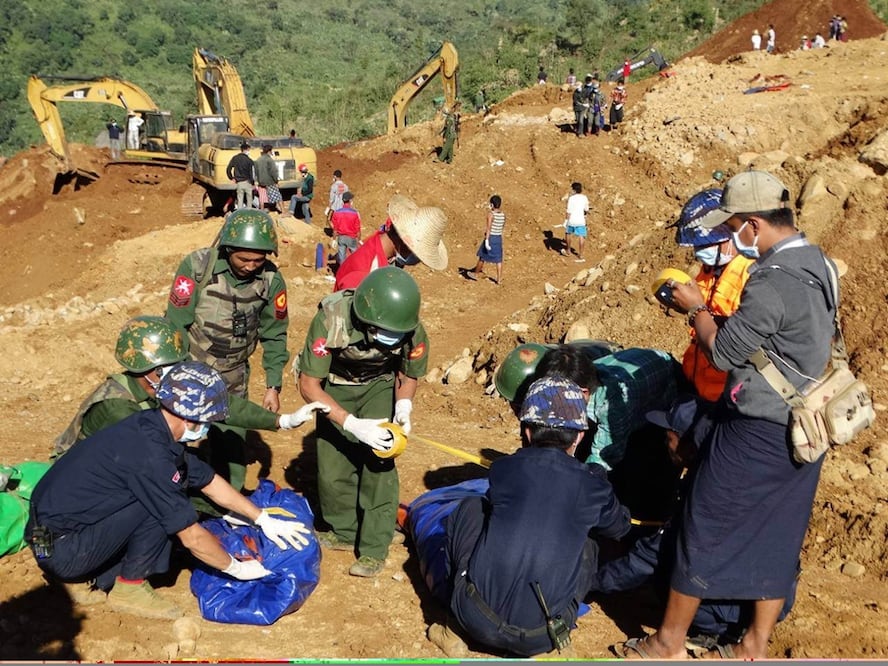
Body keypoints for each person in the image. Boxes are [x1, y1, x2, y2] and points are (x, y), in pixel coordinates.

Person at [620, 171, 837, 659]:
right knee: (777, 534)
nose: (733, 235)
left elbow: (722, 352)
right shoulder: (818, 263)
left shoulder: (773, 280)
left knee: (703, 523)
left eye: (736, 224)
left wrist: (696, 309)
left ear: (754, 225)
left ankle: (667, 640)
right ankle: (754, 645)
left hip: (759, 428)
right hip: (808, 425)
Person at [26, 361, 312, 619]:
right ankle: (129, 587)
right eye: (209, 421)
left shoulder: (151, 426)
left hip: (53, 533)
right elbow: (191, 537)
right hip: (63, 549)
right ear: (189, 418)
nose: (209, 428)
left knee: (166, 493)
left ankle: (82, 576)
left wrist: (261, 517)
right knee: (163, 507)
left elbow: (209, 481)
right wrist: (237, 569)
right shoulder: (150, 457)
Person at [427, 376, 631, 657]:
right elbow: (618, 526)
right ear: (580, 436)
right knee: (589, 543)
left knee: (471, 509)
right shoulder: (592, 486)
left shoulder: (504, 469)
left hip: (475, 620)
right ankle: (563, 627)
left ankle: (452, 628)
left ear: (526, 431)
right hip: (543, 636)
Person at [589, 398, 799, 656]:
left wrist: (590, 584)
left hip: (731, 608)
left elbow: (644, 560)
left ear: (689, 445)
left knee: (667, 578)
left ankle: (709, 629)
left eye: (670, 436)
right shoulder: (742, 476)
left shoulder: (704, 495)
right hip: (773, 598)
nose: (666, 441)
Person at [296, 267, 430, 578]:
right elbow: (309, 385)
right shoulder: (331, 319)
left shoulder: (408, 326)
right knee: (333, 467)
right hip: (335, 387)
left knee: (379, 463)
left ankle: (374, 547)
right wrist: (351, 423)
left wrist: (403, 408)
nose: (390, 339)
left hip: (379, 386)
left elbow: (408, 373)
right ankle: (344, 530)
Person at [54, 316, 327, 461]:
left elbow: (220, 404)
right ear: (144, 369)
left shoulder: (161, 387)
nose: (177, 373)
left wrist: (280, 421)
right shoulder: (117, 407)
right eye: (169, 368)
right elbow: (152, 461)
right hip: (89, 479)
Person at [165, 210, 289, 499]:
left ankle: (228, 505)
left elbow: (275, 333)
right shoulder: (197, 268)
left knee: (232, 442)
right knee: (181, 444)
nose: (250, 266)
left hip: (233, 374)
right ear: (228, 249)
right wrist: (177, 374)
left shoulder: (271, 281)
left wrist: (273, 385)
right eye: (243, 259)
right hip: (191, 369)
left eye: (258, 260)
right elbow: (176, 323)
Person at [668, 189, 753, 402]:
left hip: (727, 393)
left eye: (705, 244)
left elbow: (737, 341)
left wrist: (696, 308)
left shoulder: (752, 275)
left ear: (731, 236)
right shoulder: (710, 269)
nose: (699, 251)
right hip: (699, 380)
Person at [334, 194, 448, 291]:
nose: (416, 260)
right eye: (417, 254)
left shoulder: (376, 250)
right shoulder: (366, 276)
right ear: (405, 244)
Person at [465, 195, 505, 285]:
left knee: (482, 256)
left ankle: (476, 273)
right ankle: (499, 279)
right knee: (499, 259)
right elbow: (502, 227)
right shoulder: (502, 215)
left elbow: (489, 228)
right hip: (498, 238)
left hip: (491, 238)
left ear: (492, 204)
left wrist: (487, 240)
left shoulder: (491, 214)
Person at [330, 191, 361, 266]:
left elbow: (335, 228)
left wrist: (334, 239)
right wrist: (359, 240)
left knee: (342, 259)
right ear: (350, 201)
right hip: (352, 238)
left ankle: (342, 273)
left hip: (341, 238)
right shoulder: (354, 213)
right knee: (355, 257)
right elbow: (358, 229)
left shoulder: (337, 213)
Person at [563, 182, 589, 262]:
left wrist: (566, 220)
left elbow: (569, 211)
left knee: (568, 233)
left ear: (574, 189)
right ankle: (580, 254)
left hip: (572, 220)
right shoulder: (584, 198)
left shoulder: (571, 198)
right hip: (581, 220)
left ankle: (568, 250)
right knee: (581, 236)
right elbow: (586, 209)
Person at [226, 142, 255, 211]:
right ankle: (249, 214)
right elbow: (252, 173)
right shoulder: (249, 160)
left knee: (240, 200)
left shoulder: (235, 158)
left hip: (239, 183)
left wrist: (231, 178)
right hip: (247, 182)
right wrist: (252, 183)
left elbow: (228, 169)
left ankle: (239, 214)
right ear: (247, 149)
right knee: (249, 200)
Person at [255, 144, 282, 214]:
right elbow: (273, 171)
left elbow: (256, 172)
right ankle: (283, 211)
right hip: (270, 182)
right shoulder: (269, 160)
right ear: (269, 151)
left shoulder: (258, 160)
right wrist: (276, 181)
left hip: (261, 182)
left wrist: (258, 181)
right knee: (277, 196)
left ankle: (262, 211)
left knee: (262, 197)